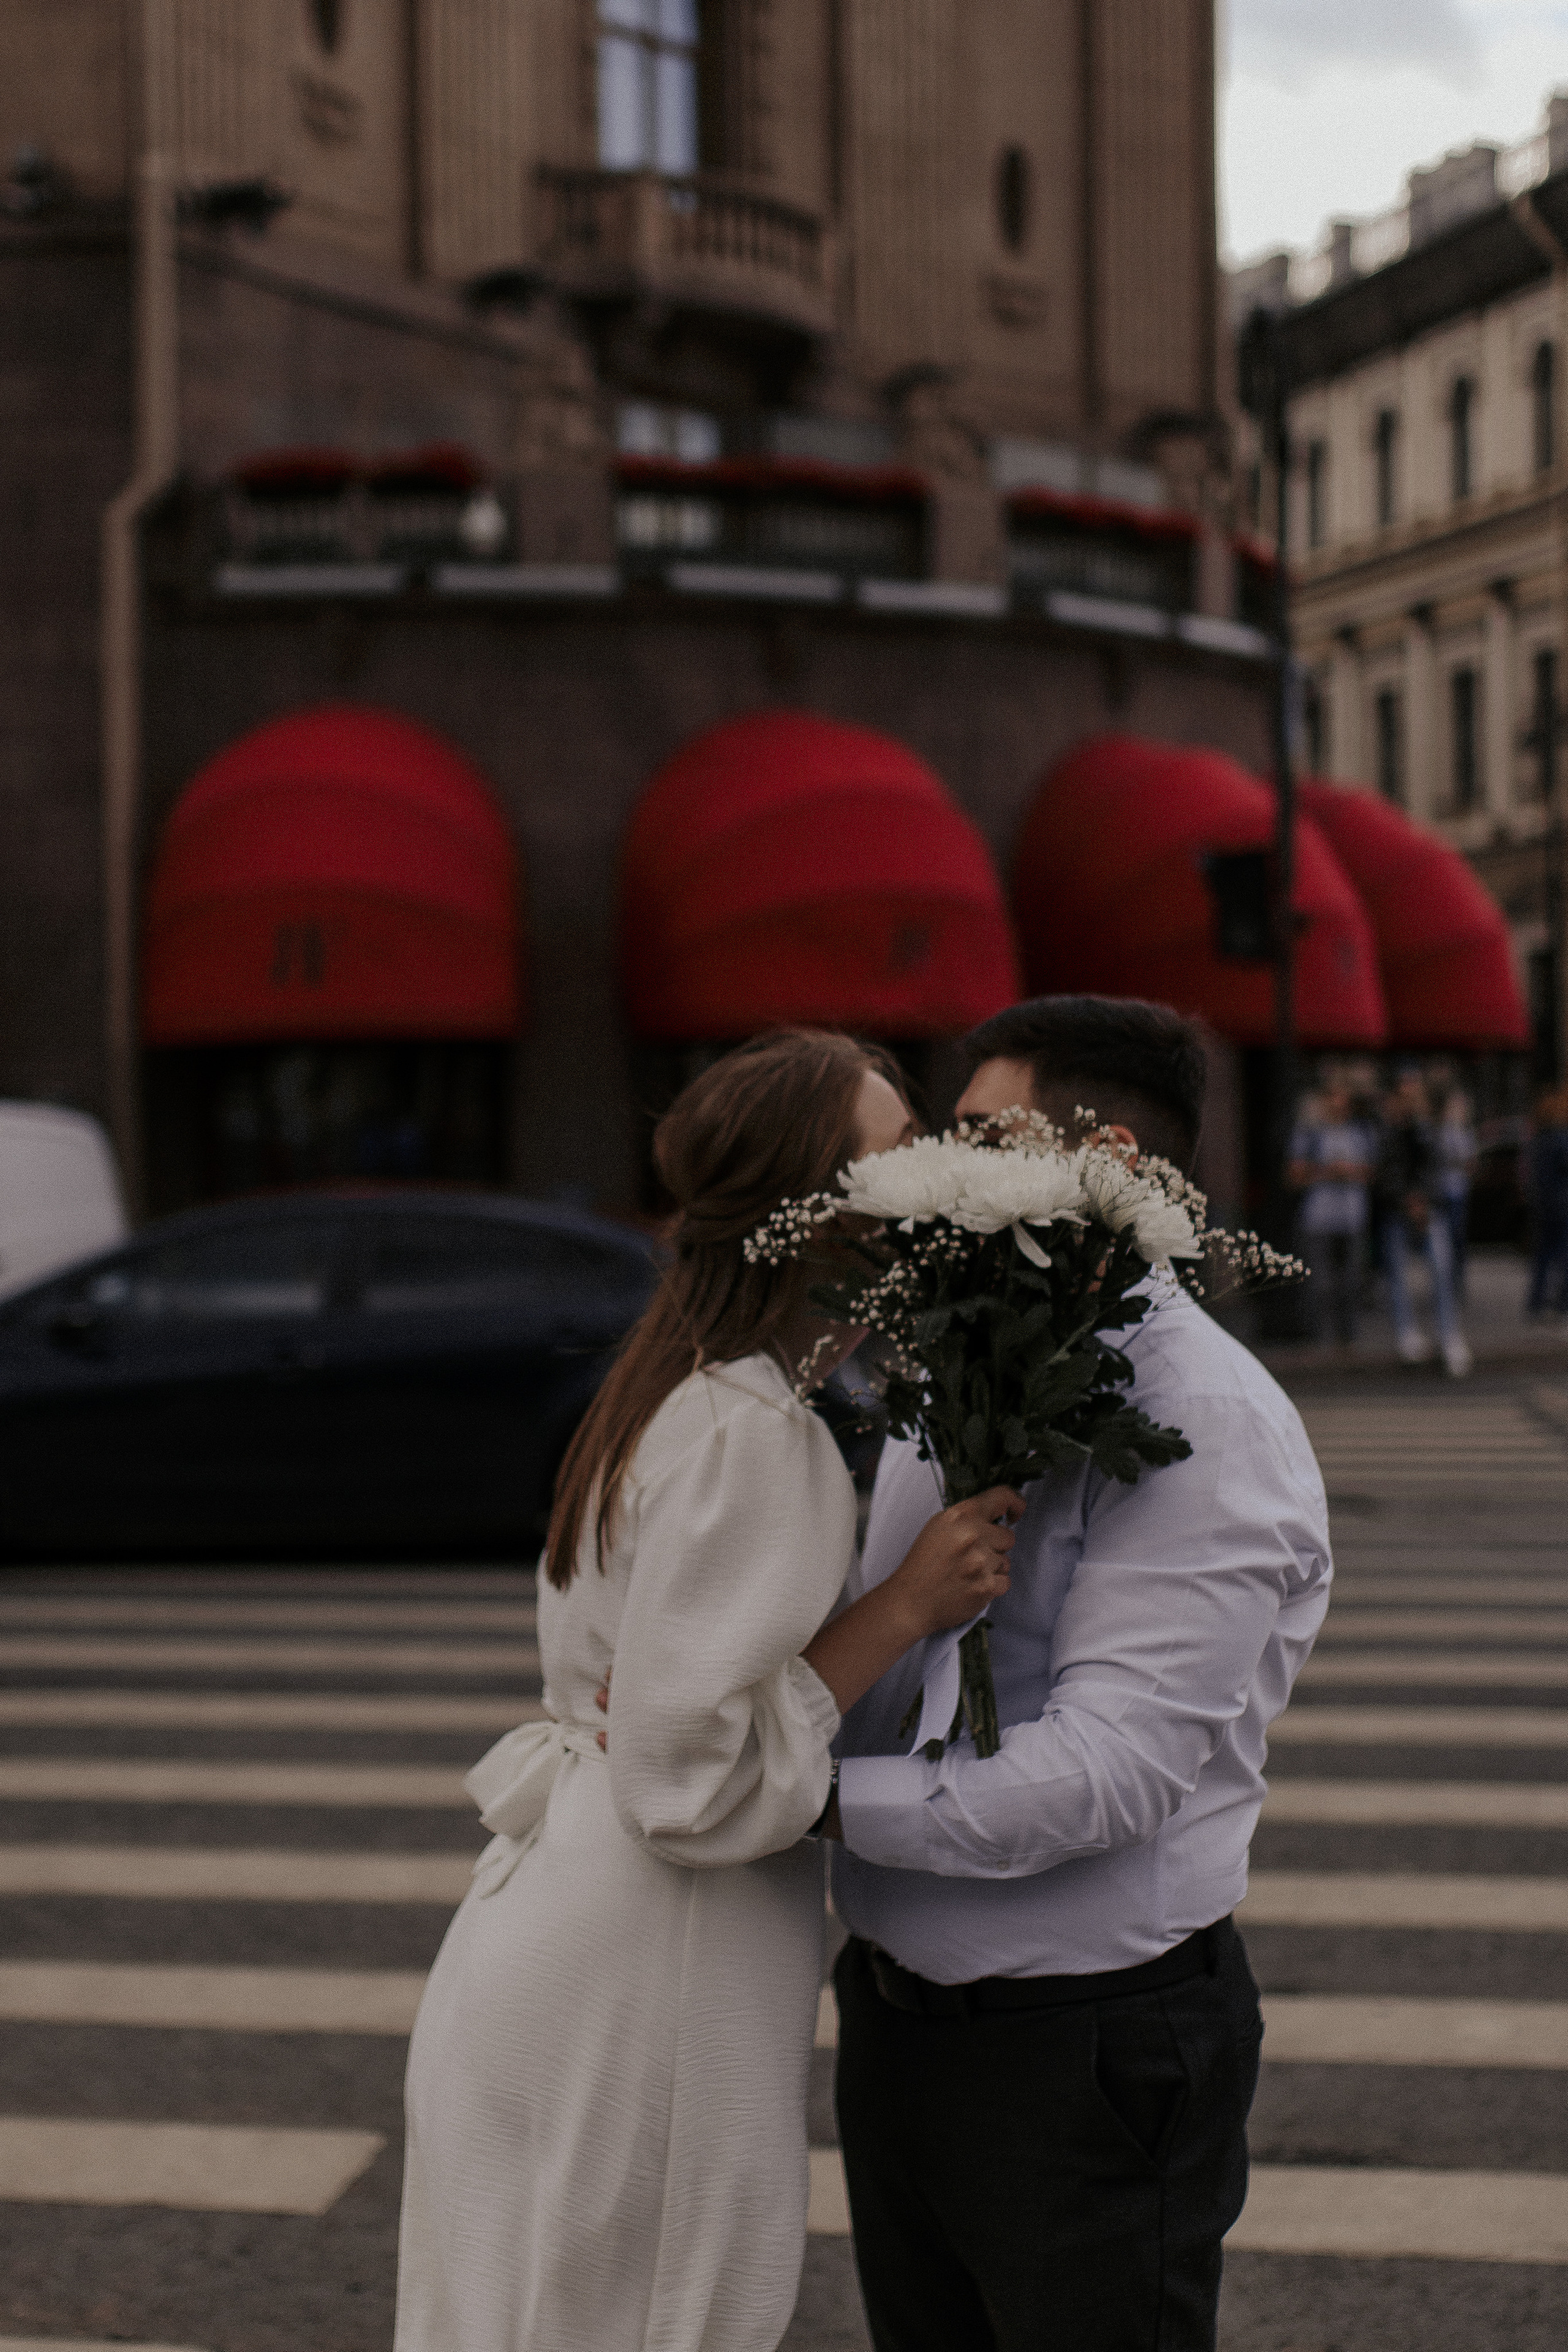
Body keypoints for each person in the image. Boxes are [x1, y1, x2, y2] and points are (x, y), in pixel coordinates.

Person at [393, 1028, 1022, 2352]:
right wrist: (905, 1606)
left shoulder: (672, 1386)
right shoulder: (756, 1435)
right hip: (647, 1958)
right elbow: (688, 1776)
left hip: (556, 1920)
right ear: (809, 1216)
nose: (932, 1186)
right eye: (896, 1161)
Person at [825, 995, 1333, 2352]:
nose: (945, 1171)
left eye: (980, 1137)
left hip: (1086, 2051)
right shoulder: (959, 1349)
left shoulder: (1204, 1418)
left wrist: (796, 1798)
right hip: (895, 2024)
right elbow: (892, 1657)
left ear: (1102, 1159)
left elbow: (1107, 1775)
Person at [1374, 1069, 1471, 1378]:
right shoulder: (1388, 1131)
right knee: (1399, 1277)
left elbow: (1437, 1168)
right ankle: (1408, 1337)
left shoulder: (1430, 1129)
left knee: (1442, 1273)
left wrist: (1423, 1201)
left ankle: (1448, 1337)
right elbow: (1385, 1173)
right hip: (1398, 1210)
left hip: (1430, 1211)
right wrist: (1407, 1200)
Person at [1288, 1074, 1373, 1346]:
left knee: (1352, 1281)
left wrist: (1350, 1172)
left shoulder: (1360, 1134)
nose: (1338, 1104)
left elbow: (1372, 1172)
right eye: (1333, 1098)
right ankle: (1320, 1340)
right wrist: (1328, 1171)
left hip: (1352, 1217)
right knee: (1320, 1283)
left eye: (1343, 1099)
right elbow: (1294, 1175)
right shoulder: (1311, 1134)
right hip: (1319, 1218)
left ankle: (1348, 1339)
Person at [1525, 1083, 1568, 1319]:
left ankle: (1536, 1302)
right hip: (1562, 1205)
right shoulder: (1561, 1140)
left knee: (1543, 1255)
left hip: (1543, 1205)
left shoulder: (1538, 1141)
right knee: (1563, 1256)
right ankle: (1562, 1303)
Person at [1434, 1084, 1478, 1300]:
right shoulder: (1444, 1132)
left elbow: (1471, 1163)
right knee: (1447, 1240)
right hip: (1445, 1192)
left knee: (1458, 1240)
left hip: (1460, 1191)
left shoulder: (1465, 1133)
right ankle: (1446, 1284)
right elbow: (1445, 1159)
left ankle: (1457, 1283)